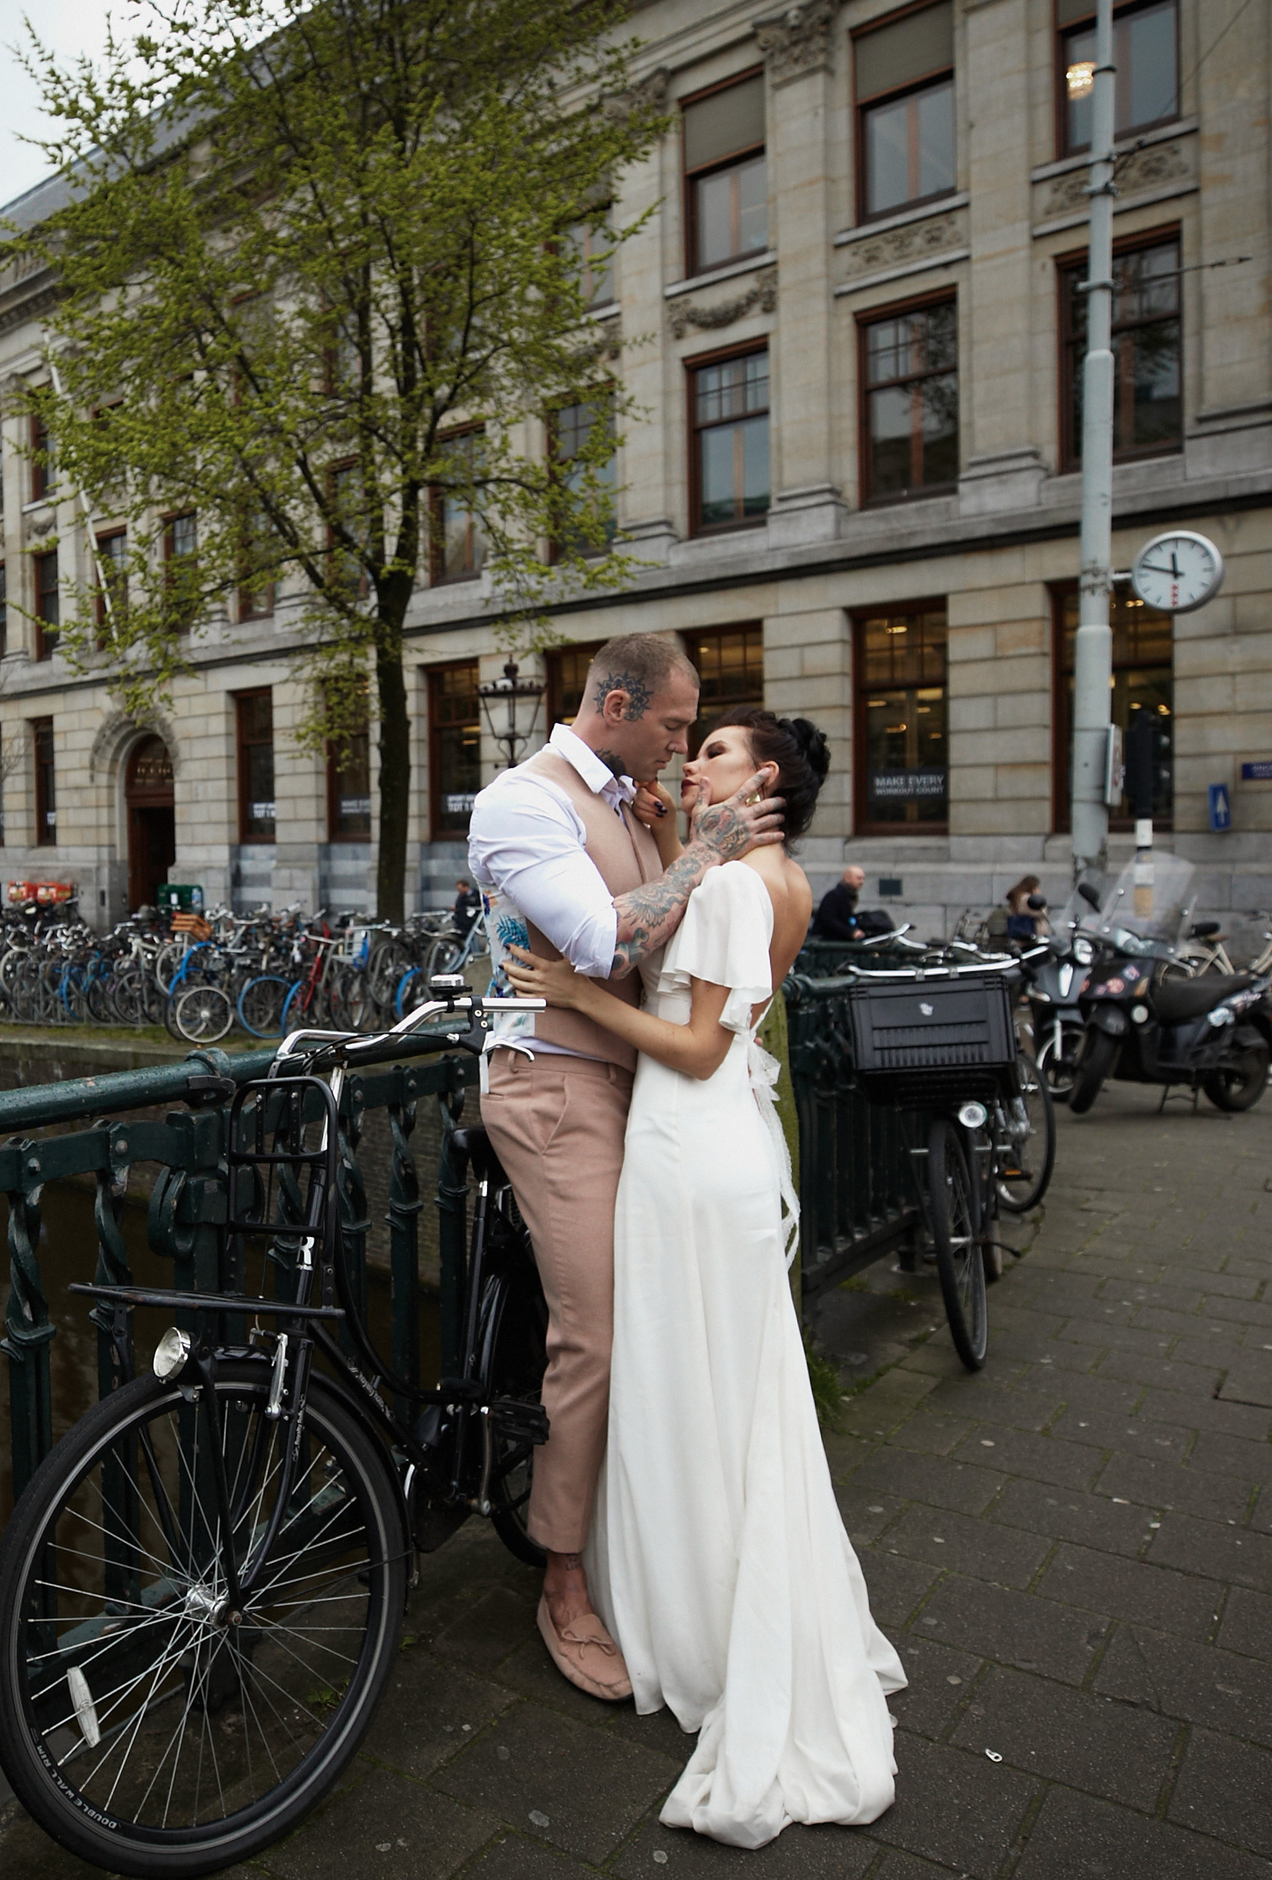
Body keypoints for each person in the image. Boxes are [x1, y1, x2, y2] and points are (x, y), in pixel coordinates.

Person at [505, 710, 903, 1848]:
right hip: (717, 1148)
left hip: (687, 1147)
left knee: (684, 1388)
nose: (691, 764)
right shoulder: (776, 874)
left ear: (760, 776)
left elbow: (696, 1046)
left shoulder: (734, 888)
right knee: (730, 1395)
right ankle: (724, 1594)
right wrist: (669, 827)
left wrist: (576, 998)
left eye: (713, 752)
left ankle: (694, 1625)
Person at [466, 632, 785, 1704]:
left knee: (645, 1321)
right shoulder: (525, 800)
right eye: (674, 725)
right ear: (615, 704)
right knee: (595, 1330)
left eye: (694, 731)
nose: (682, 744)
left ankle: (634, 1538)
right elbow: (605, 944)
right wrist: (704, 851)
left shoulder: (634, 802)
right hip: (555, 1087)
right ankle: (562, 1576)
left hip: (639, 1092)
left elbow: (668, 958)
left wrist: (682, 843)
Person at [814, 865, 865, 942]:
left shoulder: (849, 896)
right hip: (827, 941)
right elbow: (829, 920)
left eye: (863, 878)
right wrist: (850, 932)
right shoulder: (834, 896)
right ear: (847, 878)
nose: (862, 882)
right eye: (858, 878)